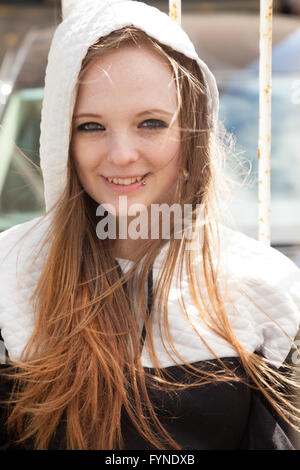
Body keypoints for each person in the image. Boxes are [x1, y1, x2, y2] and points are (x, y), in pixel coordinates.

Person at [0, 0, 300, 450]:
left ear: (192, 133)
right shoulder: (10, 278)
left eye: (151, 123)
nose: (121, 155)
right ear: (62, 138)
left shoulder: (266, 289)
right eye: (91, 127)